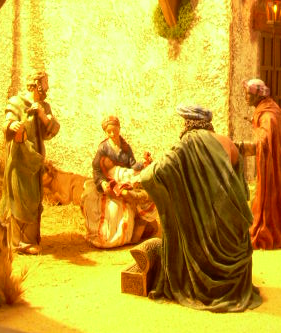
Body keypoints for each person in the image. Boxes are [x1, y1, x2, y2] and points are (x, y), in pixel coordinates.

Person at [137, 104, 262, 312]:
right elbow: (239, 187)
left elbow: (159, 171)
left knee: (189, 230)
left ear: (189, 123)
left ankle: (205, 287)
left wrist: (141, 177)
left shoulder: (189, 142)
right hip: (232, 228)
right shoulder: (225, 141)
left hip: (208, 233)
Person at [0, 70, 60, 255]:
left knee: (33, 199)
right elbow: (6, 124)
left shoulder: (44, 107)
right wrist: (12, 125)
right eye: (45, 83)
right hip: (19, 159)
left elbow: (52, 130)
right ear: (36, 84)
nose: (47, 87)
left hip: (35, 160)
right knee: (19, 197)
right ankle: (17, 242)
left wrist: (41, 114)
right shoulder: (16, 102)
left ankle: (29, 239)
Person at [81, 116, 159, 248]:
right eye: (109, 131)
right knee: (113, 208)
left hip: (124, 177)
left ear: (119, 129)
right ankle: (112, 237)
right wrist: (102, 182)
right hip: (109, 179)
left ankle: (137, 228)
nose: (112, 134)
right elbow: (97, 168)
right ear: (105, 132)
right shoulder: (103, 147)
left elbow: (132, 165)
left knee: (141, 193)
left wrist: (143, 164)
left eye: (115, 130)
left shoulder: (125, 147)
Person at [243, 78, 281, 250]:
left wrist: (244, 147)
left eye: (249, 94)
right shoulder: (267, 109)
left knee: (270, 196)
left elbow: (265, 141)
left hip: (277, 164)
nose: (246, 97)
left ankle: (268, 229)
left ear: (258, 96)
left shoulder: (267, 115)